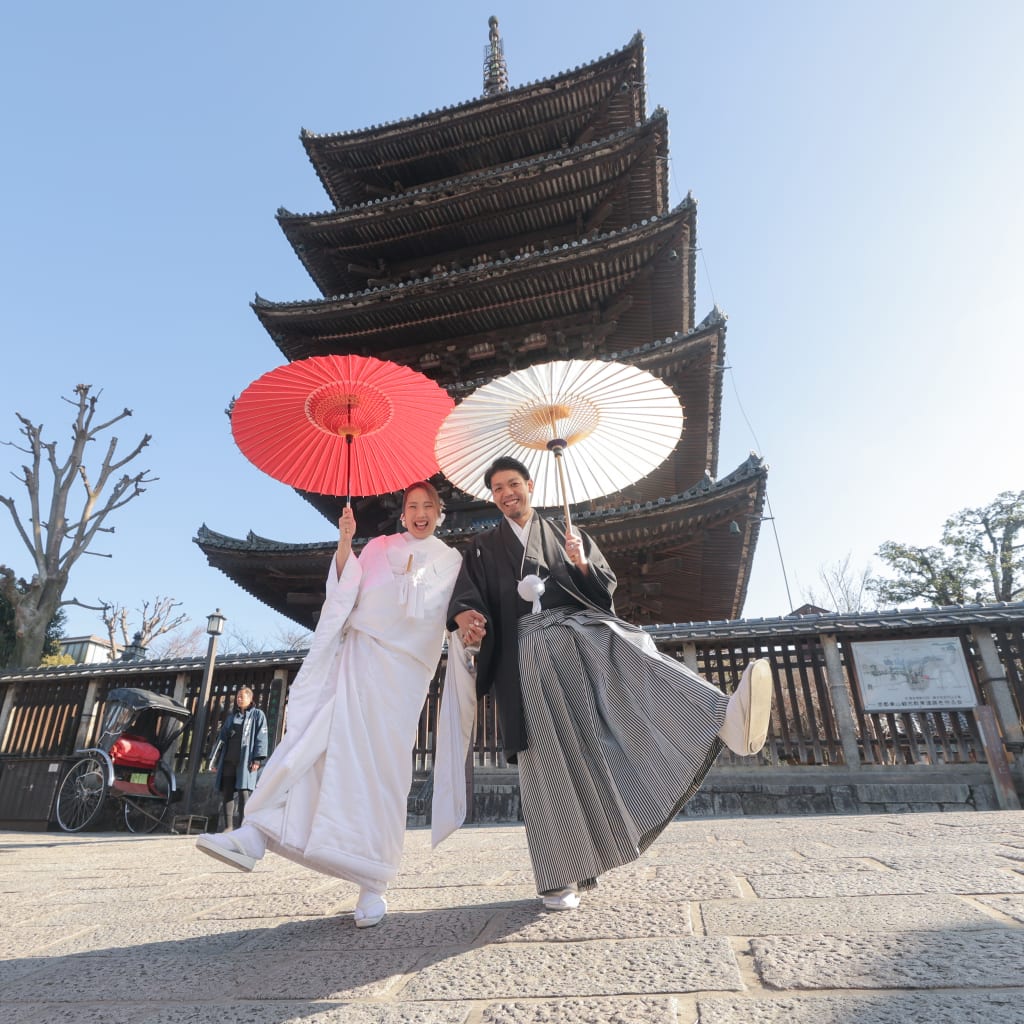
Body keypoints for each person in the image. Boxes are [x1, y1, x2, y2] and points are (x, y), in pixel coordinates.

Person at [445, 456, 772, 911]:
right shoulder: (481, 548)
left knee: (630, 647)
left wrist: (579, 565)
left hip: (577, 638)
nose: (506, 494)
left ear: (531, 486)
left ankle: (723, 717)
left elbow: (603, 590)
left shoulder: (565, 534)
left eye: (513, 484)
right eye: (498, 488)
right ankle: (560, 877)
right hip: (526, 658)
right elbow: (466, 599)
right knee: (547, 765)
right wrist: (466, 617)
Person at [196, 481, 462, 929]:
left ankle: (372, 881)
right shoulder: (376, 547)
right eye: (412, 505)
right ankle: (256, 833)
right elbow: (345, 592)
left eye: (428, 506)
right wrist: (345, 541)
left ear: (440, 513)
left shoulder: (452, 560)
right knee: (313, 740)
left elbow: (454, 612)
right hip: (358, 661)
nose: (420, 513)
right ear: (401, 513)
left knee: (383, 772)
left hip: (402, 677)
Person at [212, 686, 268, 831]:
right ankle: (229, 826)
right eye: (238, 696)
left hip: (246, 760)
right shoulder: (232, 717)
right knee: (227, 791)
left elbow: (261, 737)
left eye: (242, 696)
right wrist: (215, 760)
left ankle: (242, 825)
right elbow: (221, 739)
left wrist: (257, 759)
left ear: (250, 698)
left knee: (244, 792)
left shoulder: (257, 715)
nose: (239, 699)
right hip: (229, 758)